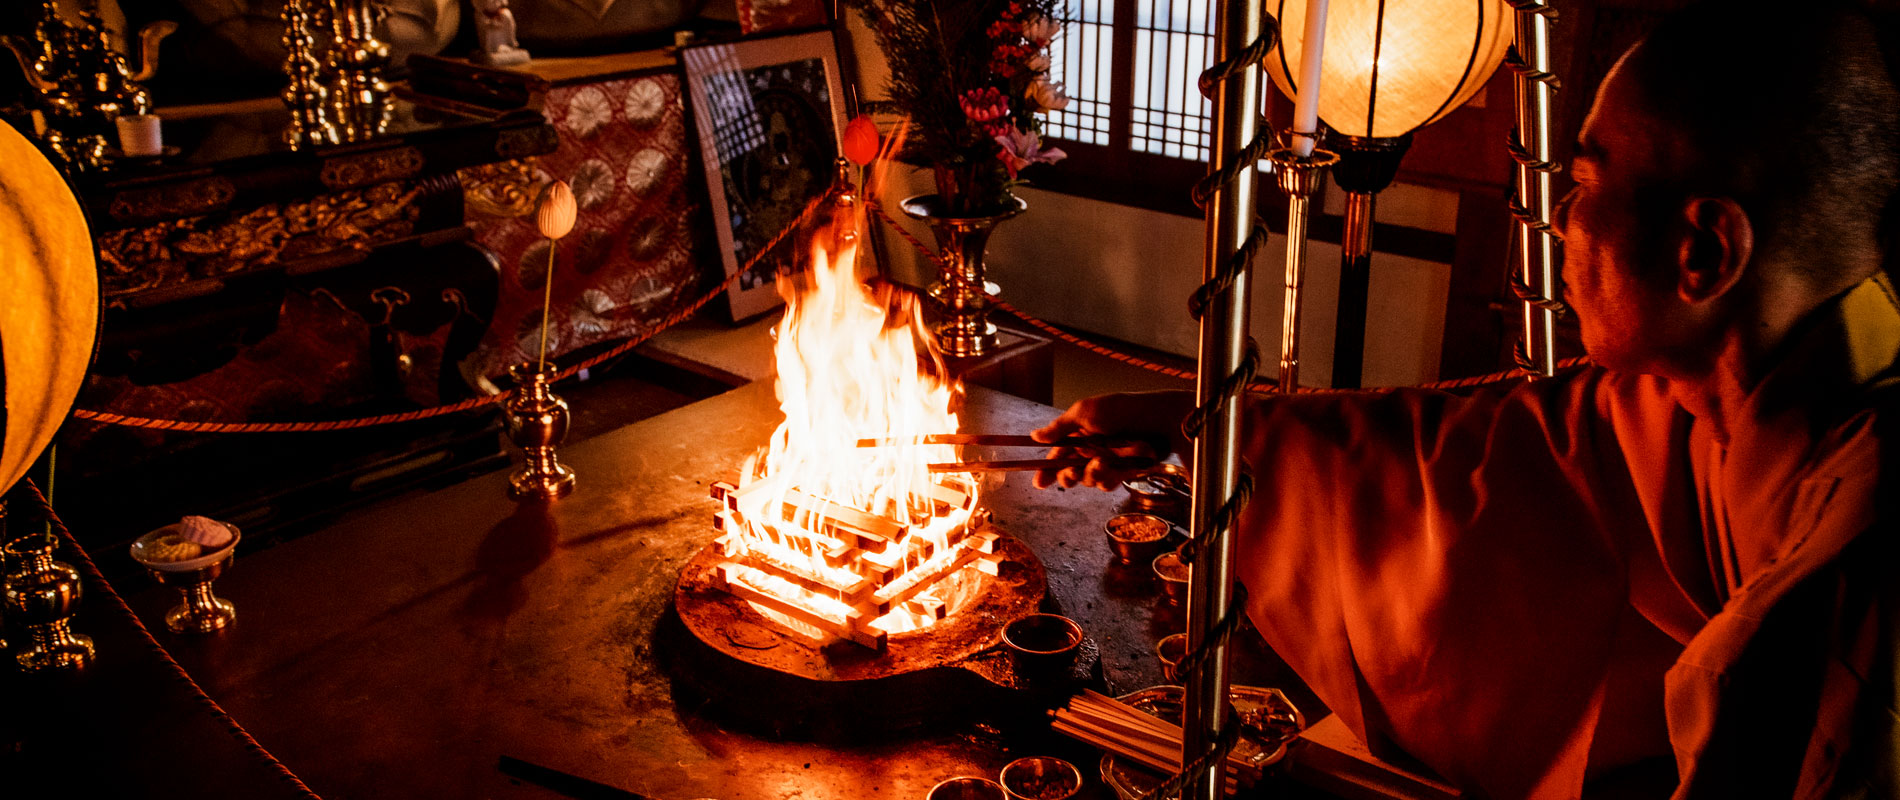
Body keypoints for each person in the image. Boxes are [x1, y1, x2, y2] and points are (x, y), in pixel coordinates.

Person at [1031, 2, 1900, 797]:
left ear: (1704, 251)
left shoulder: (1850, 588)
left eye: (1589, 184)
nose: (1560, 216)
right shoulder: (1711, 392)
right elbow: (1447, 455)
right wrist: (1199, 427)